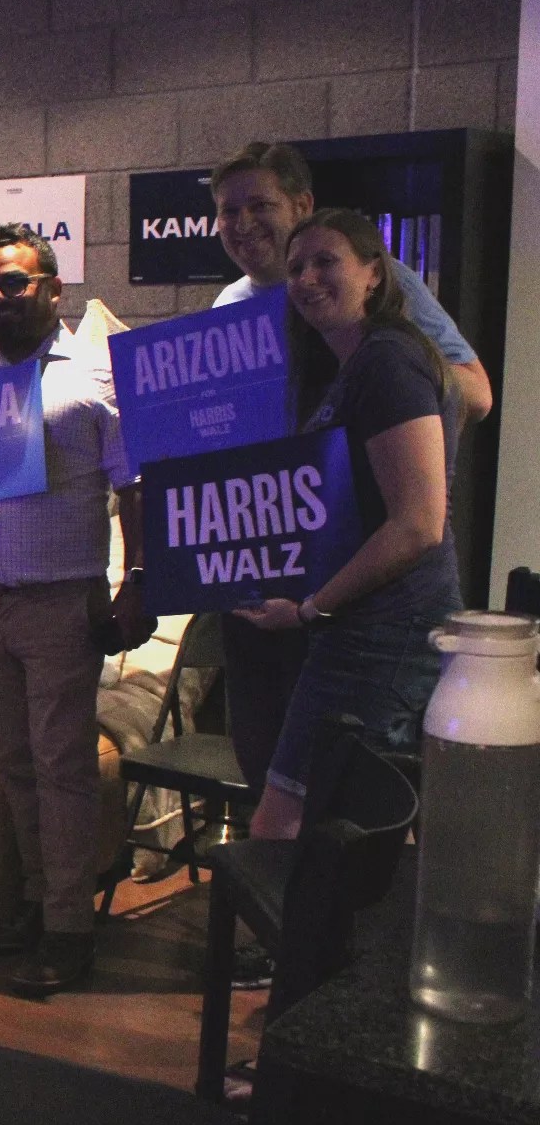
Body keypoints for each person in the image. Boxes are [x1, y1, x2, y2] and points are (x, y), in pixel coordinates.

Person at [0, 223, 152, 997]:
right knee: (15, 764)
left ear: (53, 287)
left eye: (15, 281)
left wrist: (138, 579)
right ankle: (32, 902)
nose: (0, 296)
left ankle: (70, 929)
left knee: (62, 768)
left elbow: (135, 487)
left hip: (61, 601)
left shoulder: (97, 373)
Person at [233, 209, 462, 840]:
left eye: (326, 261)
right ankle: (344, 940)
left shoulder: (387, 362)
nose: (306, 278)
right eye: (298, 265)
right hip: (369, 623)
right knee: (355, 821)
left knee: (282, 825)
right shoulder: (354, 365)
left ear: (373, 274)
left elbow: (417, 524)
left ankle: (308, 943)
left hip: (383, 631)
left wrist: (310, 610)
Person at [212, 141, 491, 424]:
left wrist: (380, 367)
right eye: (229, 211)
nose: (243, 224)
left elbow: (478, 396)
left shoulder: (372, 278)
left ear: (302, 206)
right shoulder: (228, 305)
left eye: (260, 206)